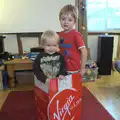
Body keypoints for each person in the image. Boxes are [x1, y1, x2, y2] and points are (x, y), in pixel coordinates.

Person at [58, 4, 87, 76]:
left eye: (70, 20)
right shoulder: (59, 35)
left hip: (74, 70)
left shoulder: (76, 35)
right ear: (60, 19)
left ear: (74, 21)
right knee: (63, 87)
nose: (66, 22)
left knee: (73, 87)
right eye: (63, 19)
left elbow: (84, 51)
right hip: (62, 69)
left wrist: (82, 68)